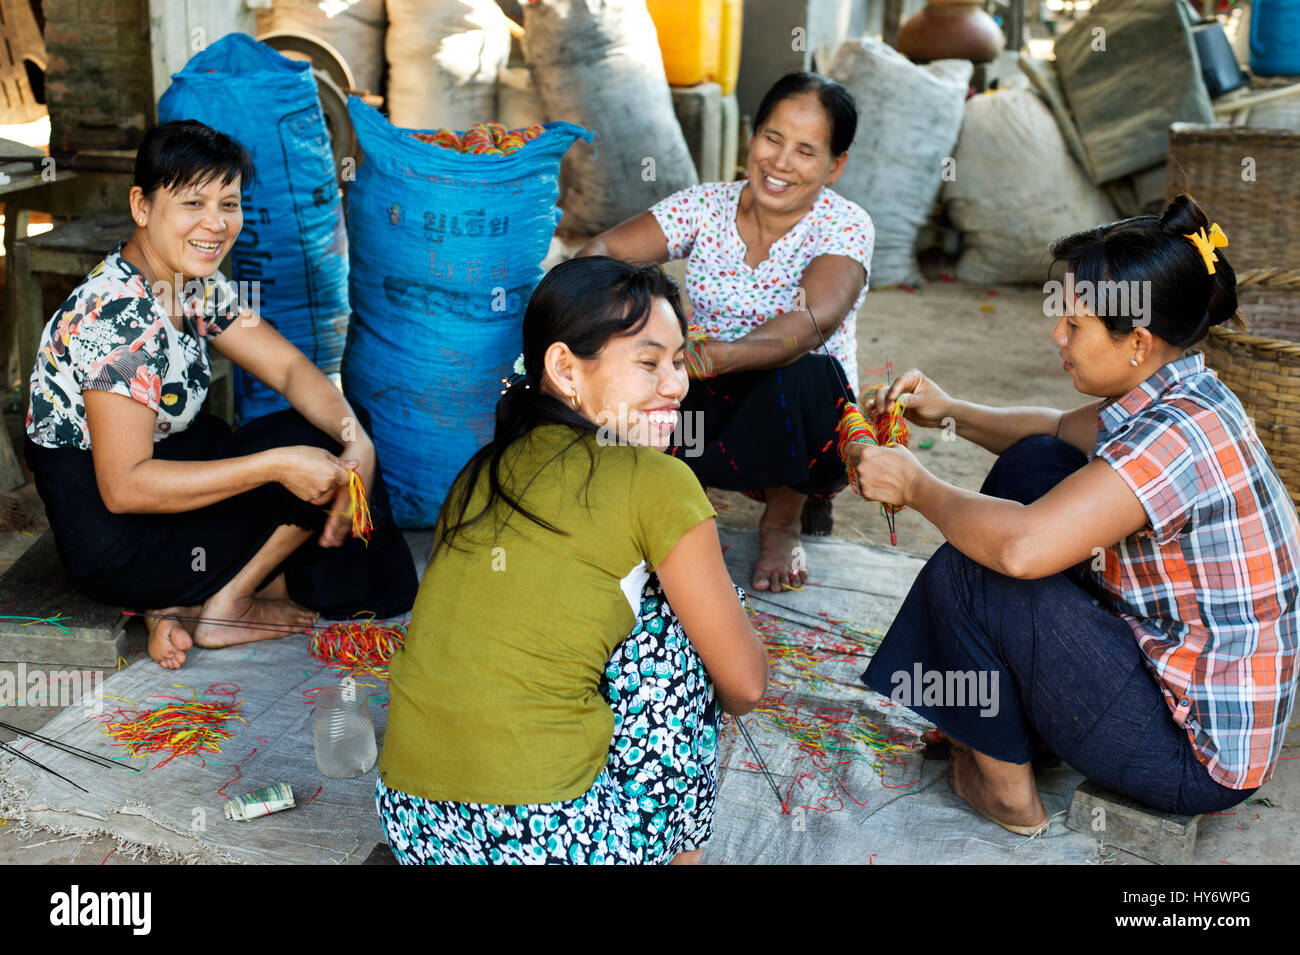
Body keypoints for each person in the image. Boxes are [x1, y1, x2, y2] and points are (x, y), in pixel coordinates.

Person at [849, 196, 1299, 832]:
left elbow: (1019, 551)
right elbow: (1057, 428)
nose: (1057, 335)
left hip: (1192, 756)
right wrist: (951, 411)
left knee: (972, 569)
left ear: (1137, 341)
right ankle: (1005, 723)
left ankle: (1007, 794)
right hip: (1177, 680)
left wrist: (918, 486)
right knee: (1038, 461)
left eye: (1075, 325)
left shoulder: (1173, 438)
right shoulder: (1181, 389)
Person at [376, 256, 768, 865]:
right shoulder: (656, 480)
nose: (676, 384)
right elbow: (746, 686)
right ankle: (682, 859)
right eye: (648, 362)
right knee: (688, 612)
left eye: (677, 360)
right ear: (564, 368)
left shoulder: (481, 472)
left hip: (414, 823)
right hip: (552, 840)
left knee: (608, 594)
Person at [24, 119, 417, 670]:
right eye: (192, 203)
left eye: (228, 204)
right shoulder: (119, 316)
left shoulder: (190, 284)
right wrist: (275, 466)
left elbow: (287, 369)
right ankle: (226, 603)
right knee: (378, 580)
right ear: (142, 206)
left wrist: (359, 445)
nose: (215, 224)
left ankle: (183, 603)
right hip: (117, 536)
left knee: (343, 427)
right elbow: (124, 488)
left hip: (167, 481)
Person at [578, 71, 874, 594]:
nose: (780, 163)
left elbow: (813, 321)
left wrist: (717, 357)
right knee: (632, 366)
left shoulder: (845, 224)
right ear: (751, 136)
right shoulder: (707, 205)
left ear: (835, 165)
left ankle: (782, 521)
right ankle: (674, 514)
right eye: (773, 138)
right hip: (703, 383)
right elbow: (600, 254)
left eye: (807, 151)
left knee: (807, 371)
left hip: (794, 404)